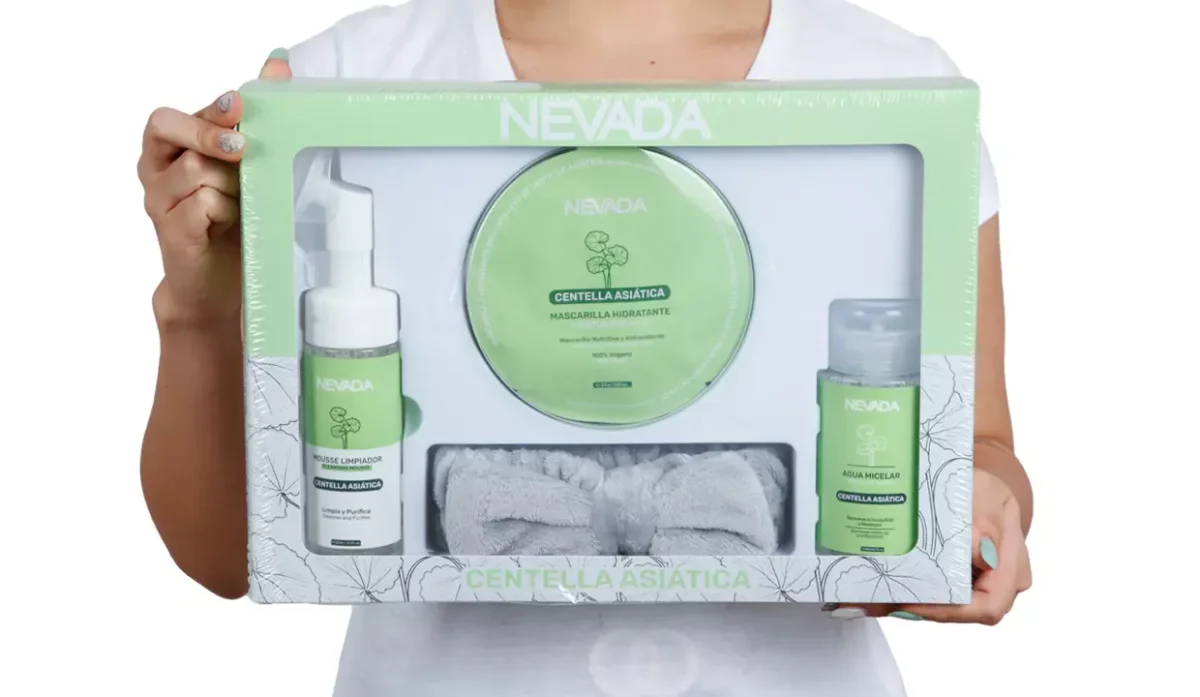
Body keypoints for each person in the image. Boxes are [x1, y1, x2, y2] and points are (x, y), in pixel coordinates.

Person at [137, 1, 1033, 695]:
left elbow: (983, 445)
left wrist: (981, 514)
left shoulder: (893, 86)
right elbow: (228, 558)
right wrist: (197, 308)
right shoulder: (342, 84)